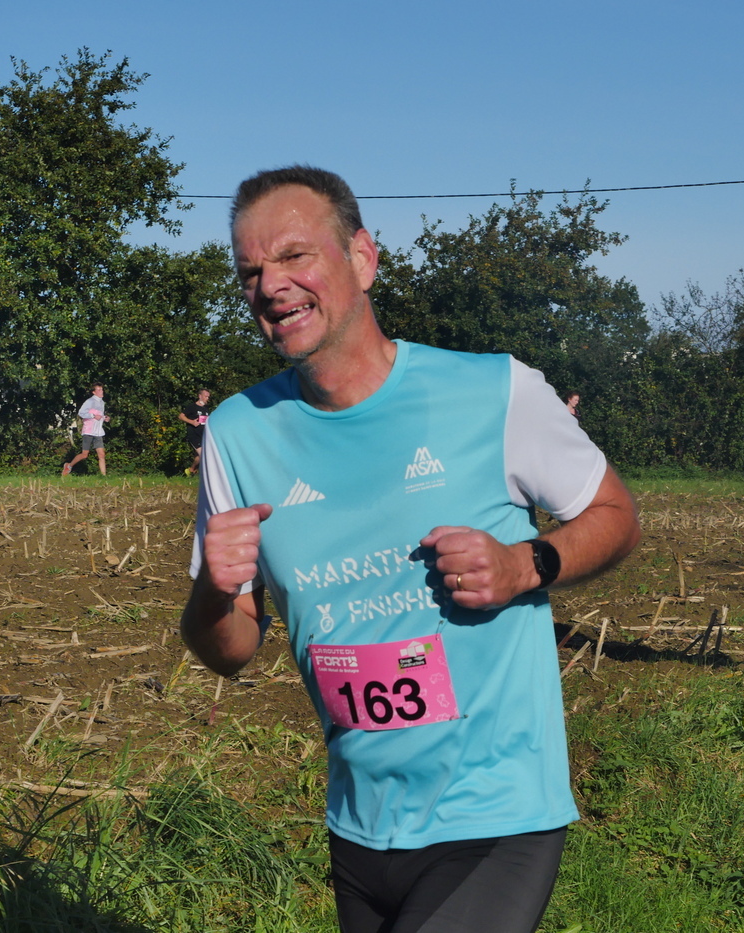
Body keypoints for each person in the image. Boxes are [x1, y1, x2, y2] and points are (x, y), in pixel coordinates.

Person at [181, 166, 641, 933]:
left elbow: (616, 513)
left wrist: (524, 564)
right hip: (360, 826)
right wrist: (212, 591)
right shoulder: (238, 431)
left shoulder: (493, 391)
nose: (270, 285)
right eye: (250, 271)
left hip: (495, 814)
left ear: (363, 258)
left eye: (295, 256)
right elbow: (228, 650)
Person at [62, 384, 109, 476]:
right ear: (94, 392)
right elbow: (81, 413)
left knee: (101, 455)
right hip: (89, 431)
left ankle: (103, 476)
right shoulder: (90, 401)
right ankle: (69, 466)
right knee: (84, 454)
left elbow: (99, 416)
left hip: (98, 432)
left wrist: (105, 418)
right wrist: (93, 416)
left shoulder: (102, 403)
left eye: (102, 389)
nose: (101, 391)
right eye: (99, 390)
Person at [179, 388, 211, 476]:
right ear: (200, 396)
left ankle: (191, 470)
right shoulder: (192, 407)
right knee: (203, 455)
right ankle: (207, 476)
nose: (207, 398)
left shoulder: (206, 409)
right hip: (194, 435)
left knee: (199, 456)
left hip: (204, 435)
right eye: (206, 396)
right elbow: (181, 416)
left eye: (208, 397)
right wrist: (192, 422)